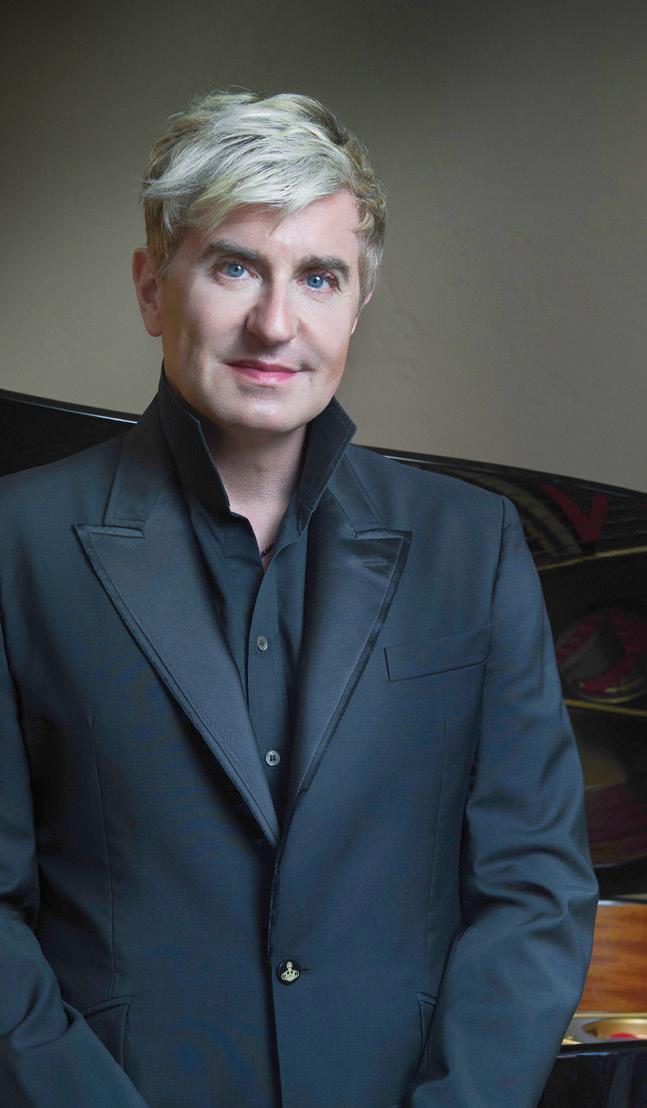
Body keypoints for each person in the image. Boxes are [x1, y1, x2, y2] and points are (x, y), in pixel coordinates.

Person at [0, 90, 597, 1108]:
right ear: (150, 288)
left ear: (355, 303)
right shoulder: (17, 543)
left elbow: (533, 889)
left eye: (318, 276)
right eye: (233, 266)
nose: (275, 323)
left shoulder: (474, 545)